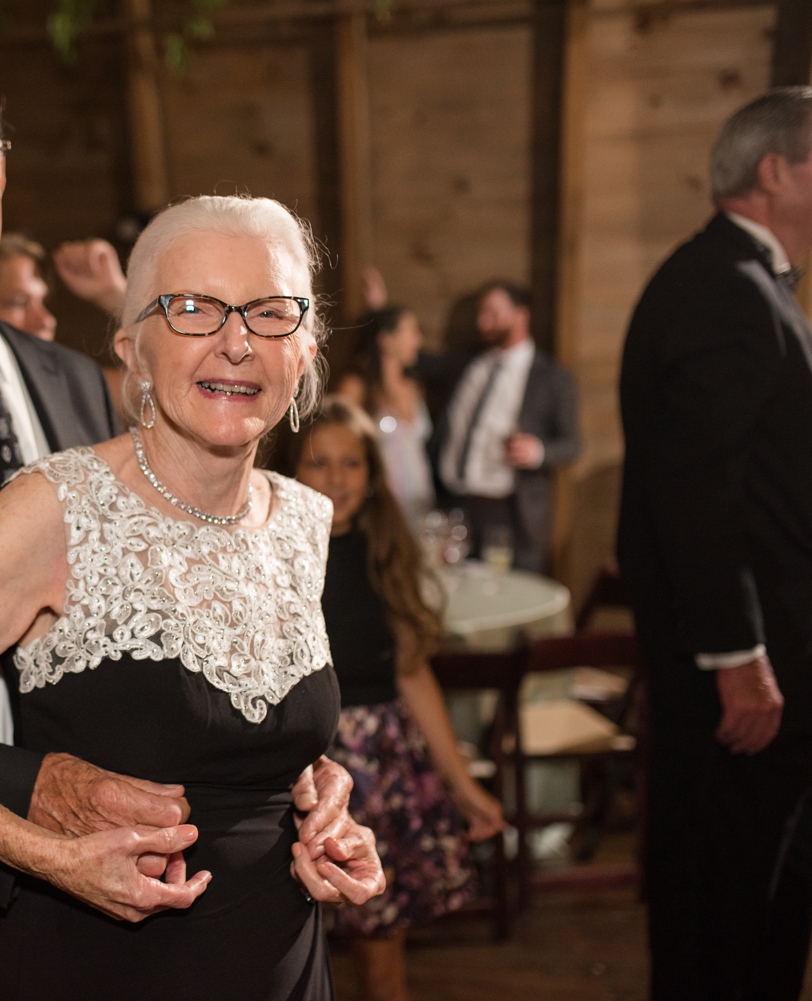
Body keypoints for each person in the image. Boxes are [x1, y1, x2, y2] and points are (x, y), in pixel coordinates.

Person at [0, 194, 385, 1001]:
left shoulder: (305, 520)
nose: (237, 342)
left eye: (270, 313)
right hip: (98, 966)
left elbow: (239, 737)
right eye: (193, 309)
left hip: (283, 965)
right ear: (130, 347)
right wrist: (44, 856)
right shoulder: (58, 511)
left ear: (305, 348)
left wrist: (321, 799)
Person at [618, 85, 812, 1001]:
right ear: (776, 171)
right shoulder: (723, 291)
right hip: (746, 671)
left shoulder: (738, 284)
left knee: (760, 890)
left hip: (764, 655)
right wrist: (739, 656)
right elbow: (694, 495)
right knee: (724, 895)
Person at [290, 398, 506, 1001]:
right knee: (290, 957)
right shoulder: (272, 554)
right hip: (301, 768)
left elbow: (413, 675)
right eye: (320, 462)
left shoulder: (385, 552)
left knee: (382, 957)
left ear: (373, 474)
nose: (336, 478)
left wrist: (465, 787)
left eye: (352, 463)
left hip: (383, 771)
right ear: (291, 469)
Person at [433, 281, 579, 573]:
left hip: (511, 513)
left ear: (521, 315)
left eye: (492, 313)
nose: (482, 322)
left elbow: (572, 444)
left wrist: (537, 451)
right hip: (456, 505)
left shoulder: (551, 377)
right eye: (480, 314)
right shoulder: (469, 364)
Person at [334, 307, 436, 526]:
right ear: (386, 340)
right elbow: (335, 440)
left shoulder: (413, 387)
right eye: (412, 332)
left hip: (419, 500)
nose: (417, 341)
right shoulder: (357, 387)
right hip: (378, 506)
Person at [0, 232, 129, 341]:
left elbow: (146, 375)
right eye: (18, 303)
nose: (47, 321)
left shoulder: (66, 375)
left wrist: (113, 295)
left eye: (44, 302)